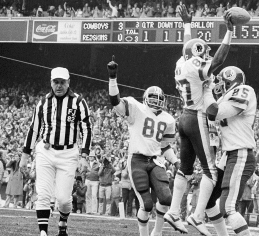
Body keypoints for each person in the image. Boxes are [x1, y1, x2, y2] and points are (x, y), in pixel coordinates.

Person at [164, 5, 233, 236]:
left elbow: (188, 47)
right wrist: (229, 32)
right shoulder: (195, 66)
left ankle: (174, 212)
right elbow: (218, 61)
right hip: (197, 117)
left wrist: (187, 24)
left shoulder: (181, 62)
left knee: (184, 169)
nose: (207, 55)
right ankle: (197, 215)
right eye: (203, 52)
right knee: (211, 172)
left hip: (184, 116)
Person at [107, 57, 177, 236]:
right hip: (137, 159)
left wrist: (176, 161)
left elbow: (164, 146)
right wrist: (112, 78)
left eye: (158, 98)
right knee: (146, 204)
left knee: (166, 198)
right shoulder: (136, 107)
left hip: (155, 160)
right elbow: (115, 100)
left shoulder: (168, 119)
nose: (155, 101)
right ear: (145, 98)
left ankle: (158, 231)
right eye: (152, 98)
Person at [21, 67, 92, 236]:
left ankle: (62, 223)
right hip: (46, 150)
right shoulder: (43, 102)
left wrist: (84, 155)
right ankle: (43, 233)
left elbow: (87, 128)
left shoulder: (78, 101)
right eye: (56, 82)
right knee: (43, 194)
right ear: (51, 82)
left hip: (68, 153)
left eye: (62, 82)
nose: (59, 86)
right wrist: (25, 154)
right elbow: (34, 129)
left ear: (68, 83)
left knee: (63, 200)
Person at [202, 66, 257, 235]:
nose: (219, 84)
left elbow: (214, 112)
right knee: (209, 200)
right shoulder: (224, 99)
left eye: (222, 81)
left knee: (227, 207)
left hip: (240, 153)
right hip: (228, 155)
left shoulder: (244, 90)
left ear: (231, 80)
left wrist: (207, 91)